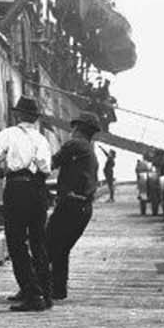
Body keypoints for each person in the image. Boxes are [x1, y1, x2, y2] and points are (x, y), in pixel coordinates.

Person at [0, 95, 53, 311]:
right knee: (38, 240)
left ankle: (32, 294)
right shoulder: (42, 139)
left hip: (17, 189)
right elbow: (45, 167)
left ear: (18, 115)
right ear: (34, 118)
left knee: (16, 241)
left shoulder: (9, 134)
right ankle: (45, 291)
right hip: (39, 189)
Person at [46, 116, 100, 301]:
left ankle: (38, 289)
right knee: (62, 248)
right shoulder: (90, 151)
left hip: (70, 206)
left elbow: (49, 164)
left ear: (77, 129)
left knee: (48, 246)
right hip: (84, 208)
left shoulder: (75, 145)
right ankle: (58, 289)